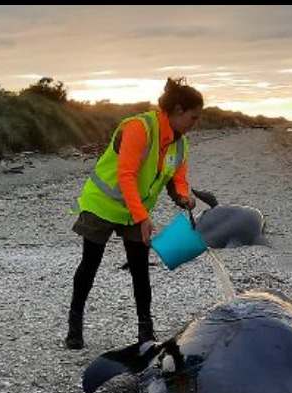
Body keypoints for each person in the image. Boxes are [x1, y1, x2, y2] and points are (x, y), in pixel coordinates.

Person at [64, 77, 203, 349]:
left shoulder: (181, 144)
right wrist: (142, 218)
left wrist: (183, 197)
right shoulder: (140, 128)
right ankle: (75, 324)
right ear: (177, 110)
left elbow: (177, 179)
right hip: (102, 204)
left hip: (134, 211)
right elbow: (125, 175)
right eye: (193, 117)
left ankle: (146, 331)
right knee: (90, 263)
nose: (195, 124)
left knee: (140, 269)